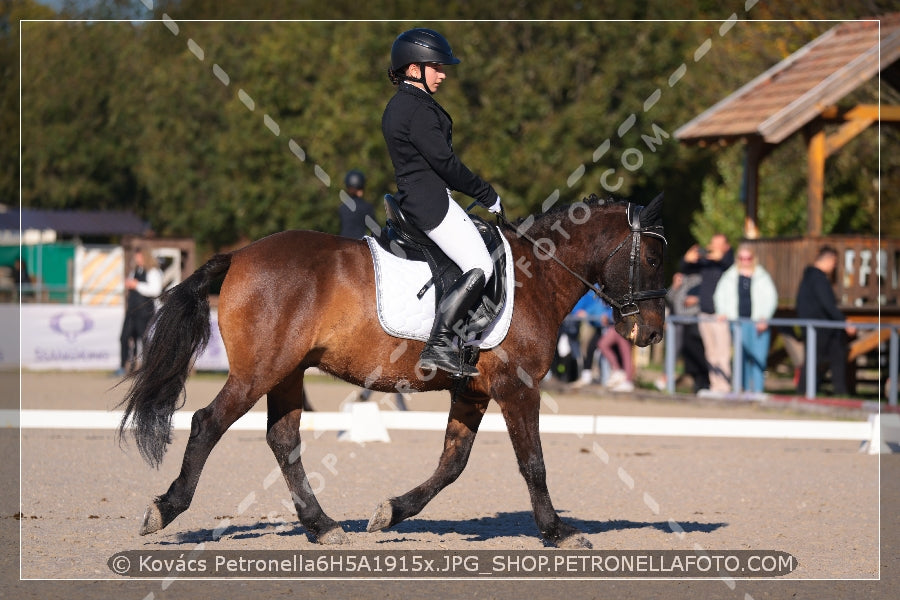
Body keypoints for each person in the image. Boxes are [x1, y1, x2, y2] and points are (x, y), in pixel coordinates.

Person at [382, 27, 502, 377]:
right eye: (436, 67)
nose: (443, 74)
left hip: (420, 198)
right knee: (481, 265)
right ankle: (438, 345)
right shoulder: (415, 109)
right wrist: (487, 193)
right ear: (414, 67)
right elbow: (446, 165)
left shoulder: (403, 105)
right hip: (430, 203)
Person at [713, 244, 778, 394]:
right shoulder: (729, 276)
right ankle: (741, 389)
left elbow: (771, 299)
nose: (745, 261)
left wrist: (765, 318)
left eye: (748, 258)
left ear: (753, 258)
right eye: (742, 258)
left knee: (758, 357)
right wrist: (721, 312)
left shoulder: (762, 276)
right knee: (740, 357)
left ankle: (757, 390)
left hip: (757, 323)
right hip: (736, 323)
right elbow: (719, 296)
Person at [795, 245, 856, 396]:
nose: (834, 267)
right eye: (834, 263)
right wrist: (844, 322)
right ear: (829, 260)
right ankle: (804, 391)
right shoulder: (818, 279)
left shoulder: (809, 277)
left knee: (833, 356)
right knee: (815, 360)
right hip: (819, 327)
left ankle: (838, 391)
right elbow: (828, 305)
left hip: (818, 326)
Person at [682, 233, 734, 393]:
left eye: (719, 244)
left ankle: (725, 386)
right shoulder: (708, 263)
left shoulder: (729, 263)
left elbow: (727, 261)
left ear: (726, 247)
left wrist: (719, 256)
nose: (715, 247)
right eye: (713, 243)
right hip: (704, 314)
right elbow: (685, 269)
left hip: (720, 315)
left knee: (722, 353)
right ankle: (715, 385)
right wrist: (686, 259)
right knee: (710, 353)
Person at [117, 248, 163, 376]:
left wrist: (136, 285)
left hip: (145, 311)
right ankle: (123, 366)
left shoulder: (153, 272)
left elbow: (155, 290)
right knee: (124, 337)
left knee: (144, 340)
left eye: (139, 257)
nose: (137, 259)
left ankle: (147, 368)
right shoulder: (135, 271)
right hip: (132, 311)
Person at [665, 271, 708, 392]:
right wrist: (674, 286)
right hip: (678, 323)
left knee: (697, 354)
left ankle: (702, 383)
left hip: (694, 322)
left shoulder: (703, 278)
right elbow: (670, 298)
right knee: (675, 353)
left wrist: (697, 299)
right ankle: (668, 382)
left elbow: (709, 296)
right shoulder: (682, 278)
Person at [596, 299, 635, 392]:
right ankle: (619, 372)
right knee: (603, 344)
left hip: (624, 324)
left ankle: (627, 380)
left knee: (625, 351)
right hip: (615, 324)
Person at [338, 169, 377, 239]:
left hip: (343, 243)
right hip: (359, 245)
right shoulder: (367, 207)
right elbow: (376, 231)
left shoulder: (342, 207)